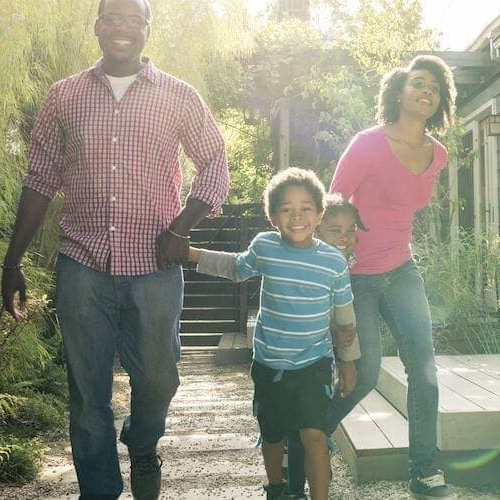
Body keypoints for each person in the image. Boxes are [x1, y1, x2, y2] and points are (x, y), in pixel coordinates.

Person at [0, 0, 229, 498]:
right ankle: (99, 490)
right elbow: (39, 178)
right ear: (98, 25)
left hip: (155, 266)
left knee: (160, 380)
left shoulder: (178, 96)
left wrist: (181, 227)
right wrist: (12, 260)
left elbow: (214, 163)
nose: (123, 28)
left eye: (135, 19)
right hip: (82, 266)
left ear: (148, 29)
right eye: (114, 18)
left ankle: (144, 444)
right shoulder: (64, 96)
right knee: (87, 395)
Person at [188, 167, 360, 500]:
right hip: (270, 365)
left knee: (315, 435)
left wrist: (349, 364)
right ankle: (277, 489)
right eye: (287, 209)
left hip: (314, 363)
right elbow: (236, 267)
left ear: (320, 213)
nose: (297, 217)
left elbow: (345, 320)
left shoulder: (333, 262)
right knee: (273, 434)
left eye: (306, 208)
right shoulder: (265, 247)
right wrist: (190, 253)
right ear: (272, 216)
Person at [328, 55, 457, 499]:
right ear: (398, 92)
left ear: (440, 101)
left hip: (402, 270)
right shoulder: (367, 143)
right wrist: (330, 267)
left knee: (423, 373)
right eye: (418, 83)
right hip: (356, 274)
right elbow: (333, 204)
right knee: (363, 375)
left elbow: (406, 210)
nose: (426, 92)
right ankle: (311, 432)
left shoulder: (437, 154)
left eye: (435, 88)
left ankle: (423, 470)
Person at [284, 193, 367, 499]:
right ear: (317, 228)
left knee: (309, 422)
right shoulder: (305, 259)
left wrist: (345, 352)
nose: (345, 237)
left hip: (323, 358)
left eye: (350, 230)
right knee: (298, 422)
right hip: (295, 355)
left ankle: (314, 452)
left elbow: (346, 311)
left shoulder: (347, 263)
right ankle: (292, 488)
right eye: (336, 230)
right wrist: (331, 330)